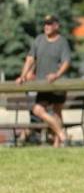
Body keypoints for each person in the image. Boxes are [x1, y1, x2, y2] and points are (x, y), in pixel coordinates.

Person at [16, 14, 72, 147]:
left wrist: (57, 75)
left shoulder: (62, 42)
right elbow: (30, 58)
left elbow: (66, 62)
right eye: (45, 24)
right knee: (37, 110)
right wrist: (23, 75)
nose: (47, 26)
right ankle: (63, 135)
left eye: (50, 24)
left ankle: (58, 144)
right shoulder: (39, 40)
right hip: (42, 85)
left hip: (57, 84)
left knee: (57, 113)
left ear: (56, 26)